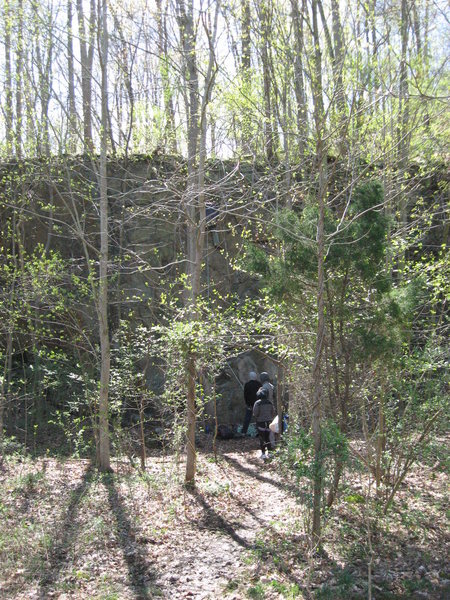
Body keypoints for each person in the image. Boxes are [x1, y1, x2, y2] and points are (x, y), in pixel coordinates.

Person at [253, 372, 275, 459]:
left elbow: (255, 413)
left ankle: (263, 454)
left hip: (260, 422)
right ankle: (270, 452)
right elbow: (273, 411)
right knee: (268, 437)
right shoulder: (270, 402)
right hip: (269, 420)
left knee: (262, 438)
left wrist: (257, 417)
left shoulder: (257, 403)